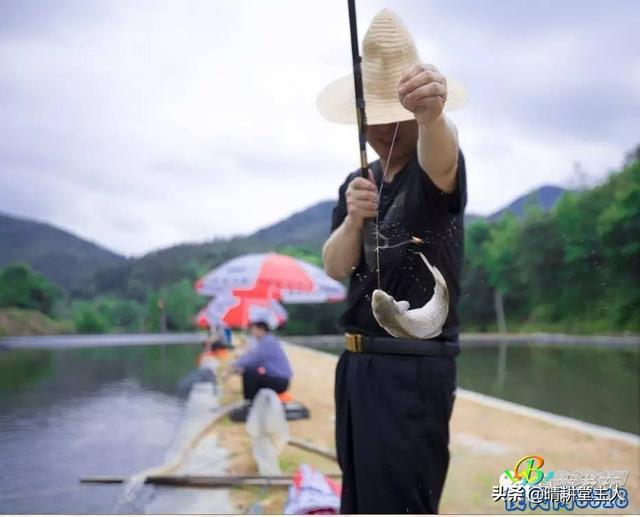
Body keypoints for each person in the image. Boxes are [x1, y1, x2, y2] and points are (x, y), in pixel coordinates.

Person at [318, 9, 467, 514]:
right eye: (371, 115)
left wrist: (433, 116)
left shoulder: (432, 172)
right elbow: (335, 266)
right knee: (359, 498)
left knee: (402, 501)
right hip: (357, 366)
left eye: (392, 113)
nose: (380, 128)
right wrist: (352, 222)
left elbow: (443, 157)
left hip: (412, 370)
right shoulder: (355, 181)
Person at [231, 320, 293, 401]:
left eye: (253, 330)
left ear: (261, 330)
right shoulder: (267, 340)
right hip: (277, 379)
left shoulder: (267, 342)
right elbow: (254, 360)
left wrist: (234, 365)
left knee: (249, 373)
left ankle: (250, 403)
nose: (252, 332)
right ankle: (253, 401)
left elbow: (252, 358)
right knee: (250, 371)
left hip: (279, 381)